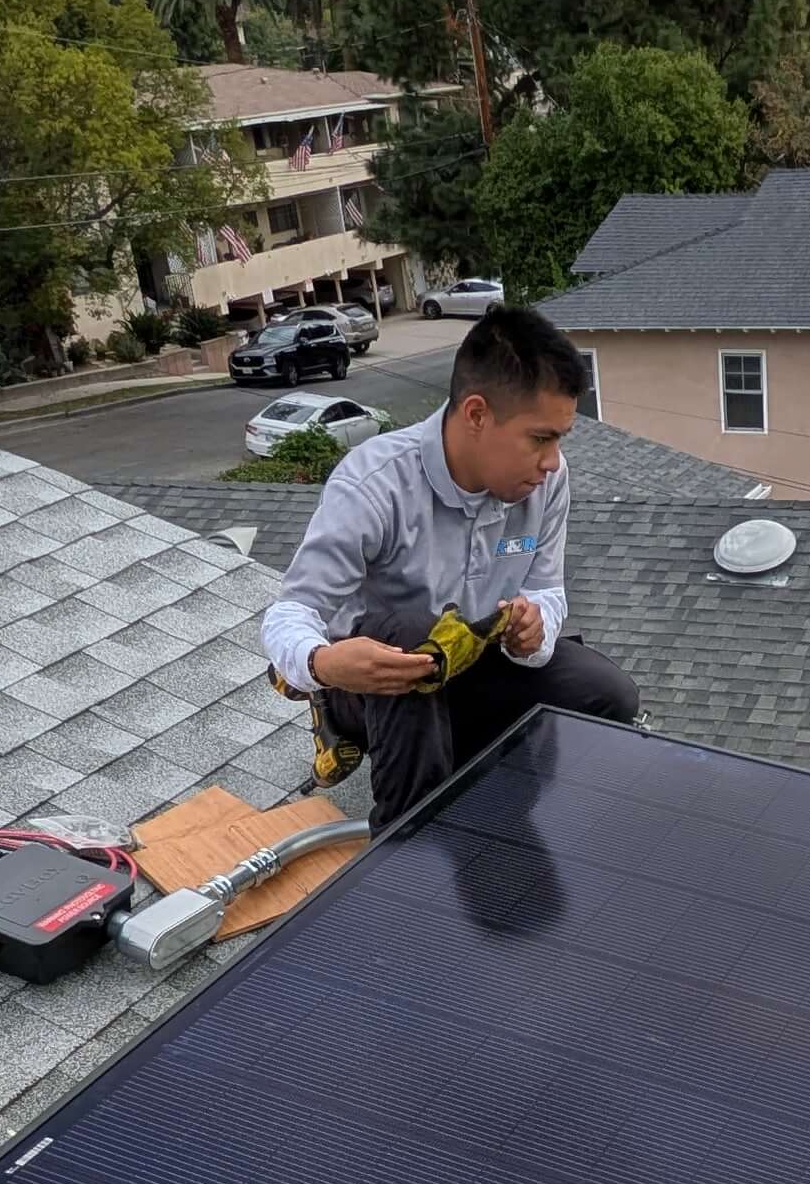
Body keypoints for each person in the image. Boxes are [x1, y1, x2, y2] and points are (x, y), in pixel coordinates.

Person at [258, 302, 639, 823]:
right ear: (478, 414)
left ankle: (492, 813)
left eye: (559, 440)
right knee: (414, 634)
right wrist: (323, 666)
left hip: (473, 663)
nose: (552, 461)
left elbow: (548, 591)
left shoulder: (547, 480)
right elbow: (289, 615)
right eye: (540, 438)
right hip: (375, 684)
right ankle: (408, 854)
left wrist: (535, 627)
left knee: (608, 695)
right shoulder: (374, 485)